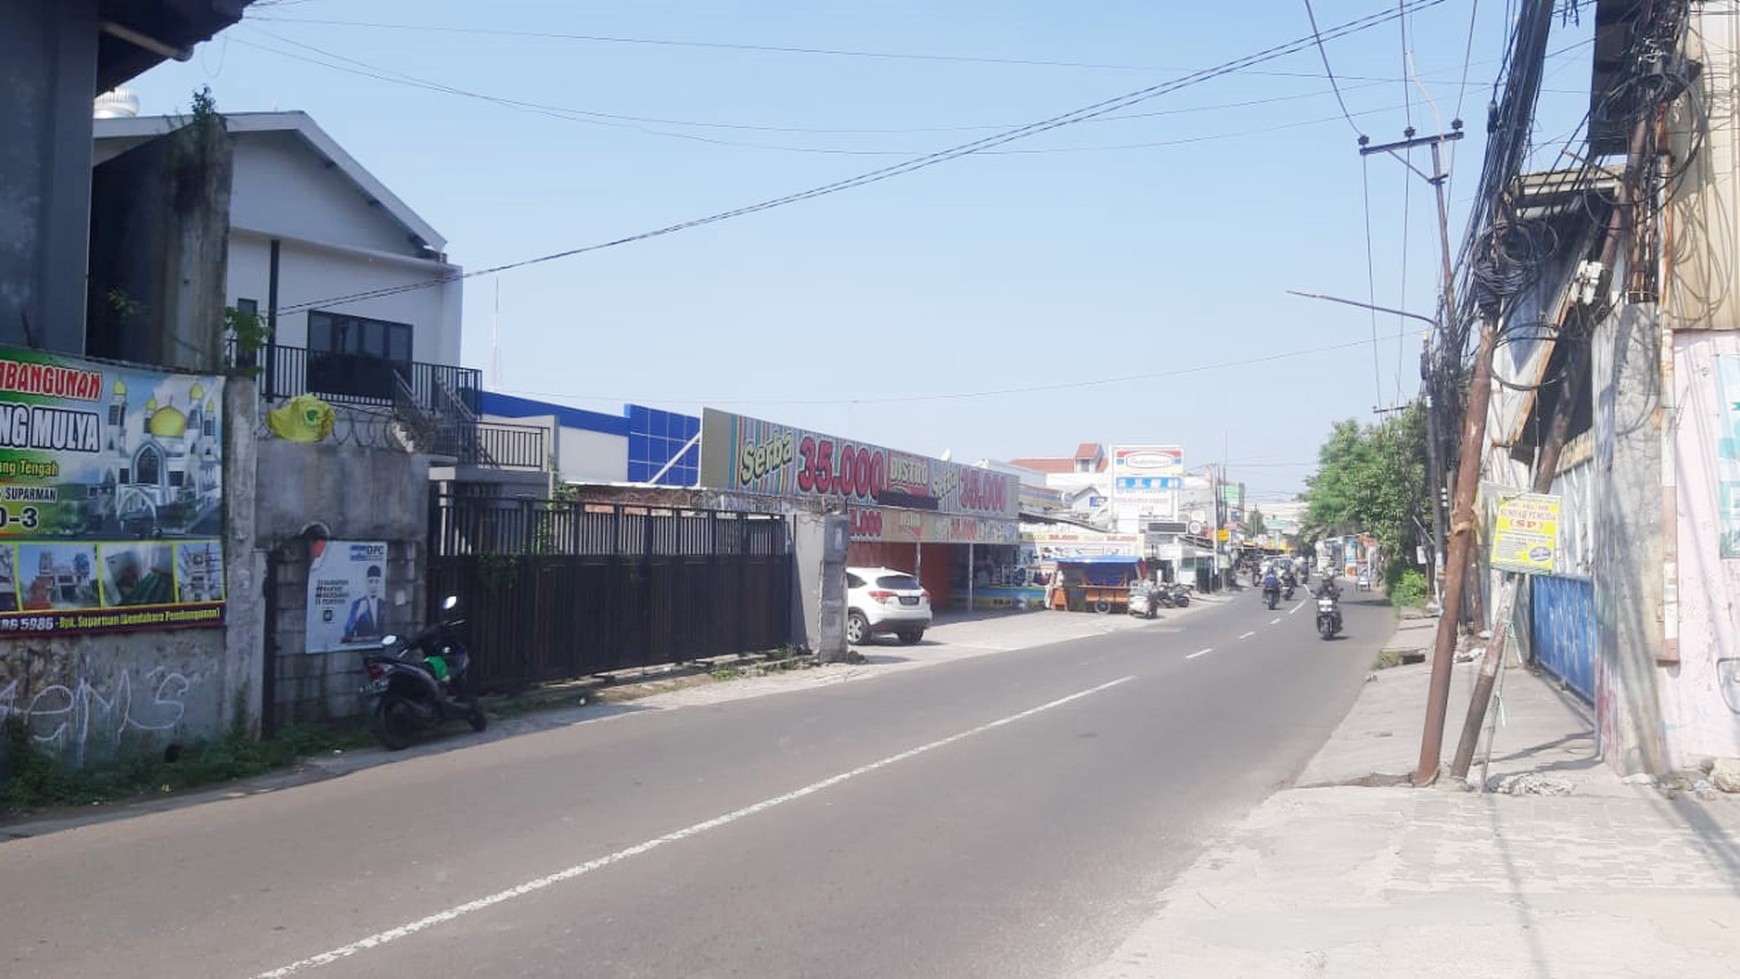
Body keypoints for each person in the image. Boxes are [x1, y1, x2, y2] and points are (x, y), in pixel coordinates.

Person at [344, 565, 385, 642]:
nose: (374, 585)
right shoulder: (357, 604)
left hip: (381, 648)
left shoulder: (384, 605)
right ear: (366, 582)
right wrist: (357, 615)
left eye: (377, 581)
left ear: (381, 583)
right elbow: (348, 632)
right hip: (363, 649)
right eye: (371, 581)